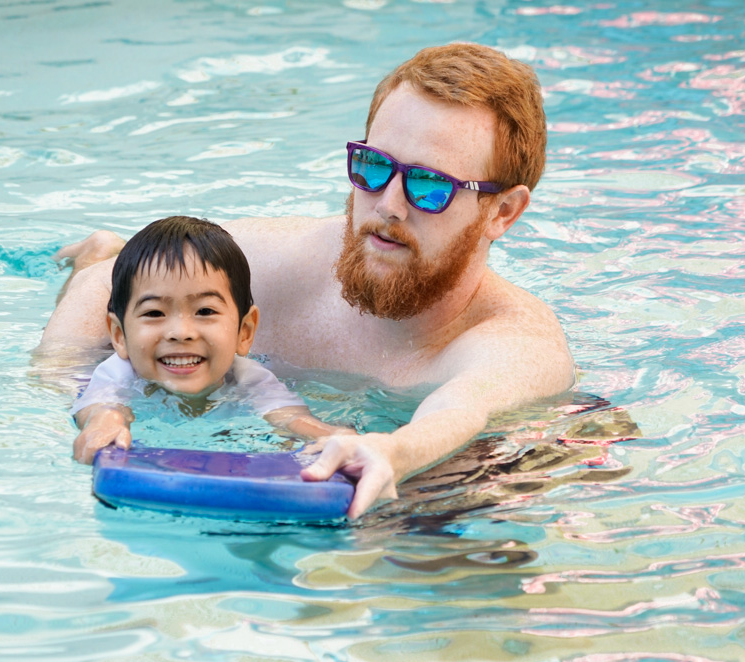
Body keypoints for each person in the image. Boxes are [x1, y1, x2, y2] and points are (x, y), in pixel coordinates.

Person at [40, 43, 575, 519]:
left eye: (429, 186)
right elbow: (103, 287)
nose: (388, 206)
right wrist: (71, 390)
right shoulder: (289, 264)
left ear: (503, 212)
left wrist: (395, 450)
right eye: (373, 166)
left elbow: (464, 406)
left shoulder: (517, 343)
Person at [70, 215, 348, 463]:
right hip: (83, 365)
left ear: (245, 332)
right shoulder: (118, 372)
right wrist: (105, 422)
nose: (181, 332)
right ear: (119, 336)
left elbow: (290, 417)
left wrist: (331, 434)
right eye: (154, 312)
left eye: (205, 311)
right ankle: (92, 256)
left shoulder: (247, 377)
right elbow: (101, 407)